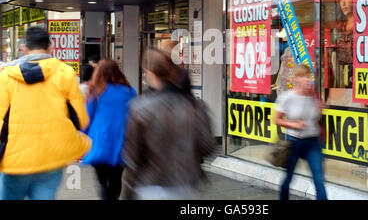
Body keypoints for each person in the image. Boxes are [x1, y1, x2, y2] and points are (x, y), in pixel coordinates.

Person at [0, 27, 91, 200]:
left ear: (24, 48)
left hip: (15, 161)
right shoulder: (65, 73)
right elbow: (81, 119)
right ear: (50, 47)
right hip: (51, 159)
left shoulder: (6, 77)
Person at [122, 48, 215, 199]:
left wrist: (128, 191)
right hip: (186, 185)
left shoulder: (139, 108)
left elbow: (132, 159)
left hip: (151, 187)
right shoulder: (196, 107)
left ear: (149, 73)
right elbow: (207, 146)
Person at [81, 59, 137, 200]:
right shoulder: (129, 91)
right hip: (122, 140)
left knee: (101, 180)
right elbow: (136, 114)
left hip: (100, 141)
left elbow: (87, 118)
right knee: (116, 178)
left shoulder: (95, 91)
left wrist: (83, 138)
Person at [274, 64, 327, 200]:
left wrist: (320, 108)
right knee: (289, 178)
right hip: (294, 142)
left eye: (309, 76)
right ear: (296, 79)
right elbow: (276, 120)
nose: (308, 79)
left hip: (313, 142)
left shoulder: (314, 96)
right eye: (304, 77)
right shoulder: (287, 97)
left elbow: (316, 118)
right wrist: (293, 124)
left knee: (318, 179)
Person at [335, 0, 354, 88]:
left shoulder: (364, 24)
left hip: (361, 76)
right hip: (343, 78)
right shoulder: (340, 24)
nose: (343, 2)